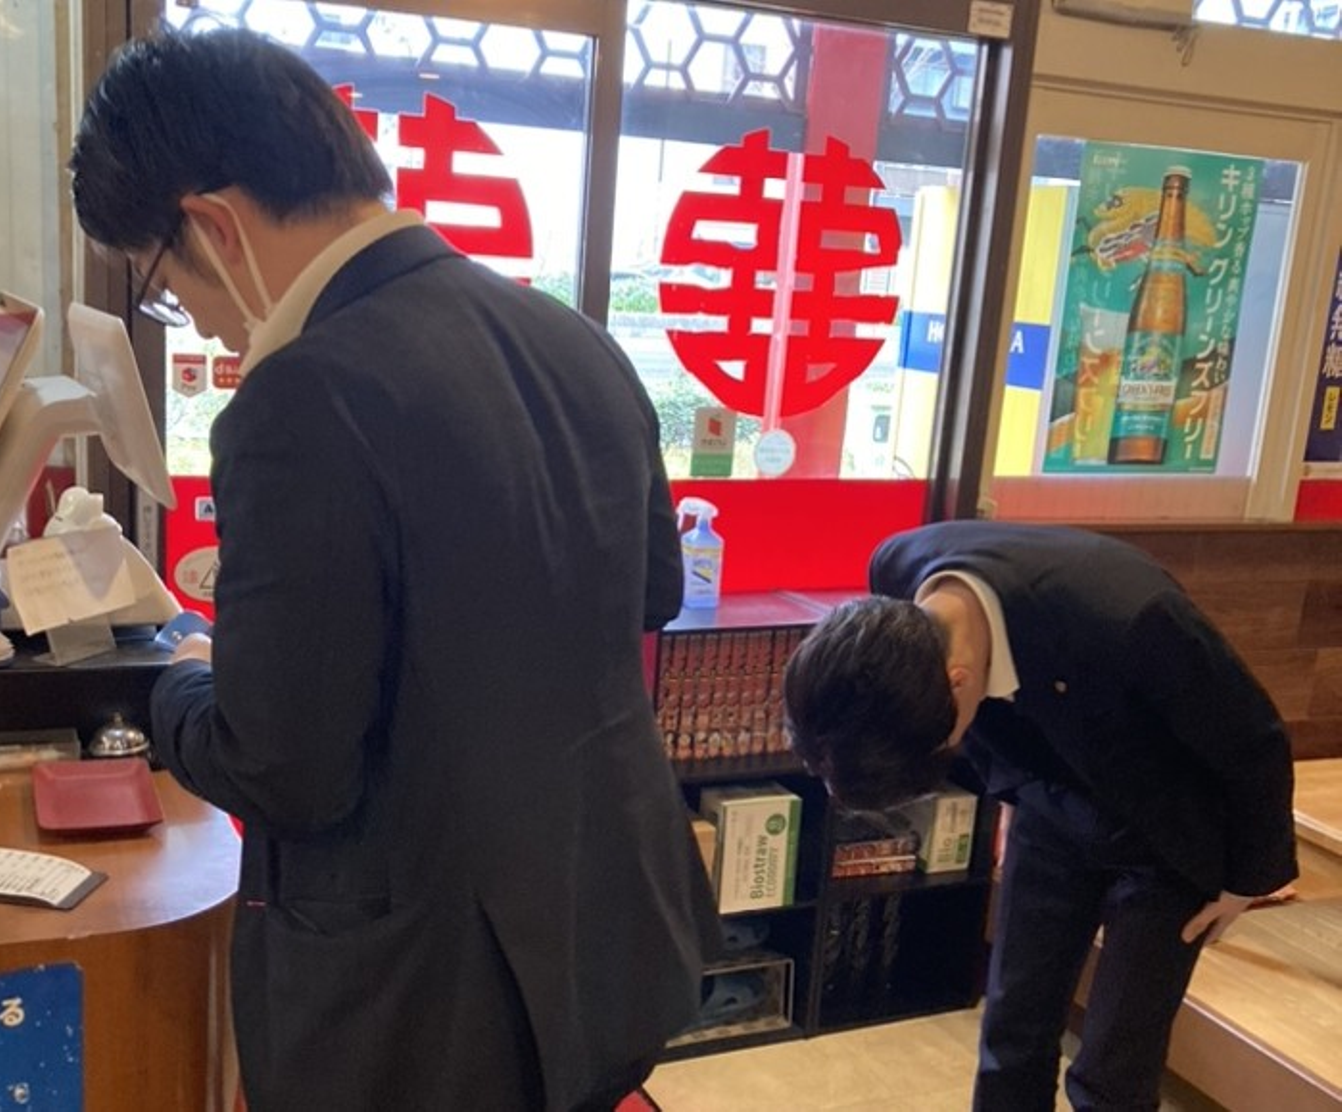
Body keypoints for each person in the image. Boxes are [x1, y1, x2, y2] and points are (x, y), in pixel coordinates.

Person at [69, 27, 719, 1112]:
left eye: (168, 285)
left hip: (424, 1005)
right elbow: (650, 592)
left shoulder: (299, 398)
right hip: (607, 928)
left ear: (214, 225)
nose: (203, 324)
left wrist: (178, 680)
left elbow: (285, 771)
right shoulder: (574, 340)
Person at [783, 520, 1297, 1112]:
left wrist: (1247, 879)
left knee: (1115, 1066)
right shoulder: (897, 571)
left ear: (957, 682)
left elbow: (1253, 738)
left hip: (1167, 825)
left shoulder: (1132, 617)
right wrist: (1013, 793)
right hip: (1048, 803)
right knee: (1012, 1031)